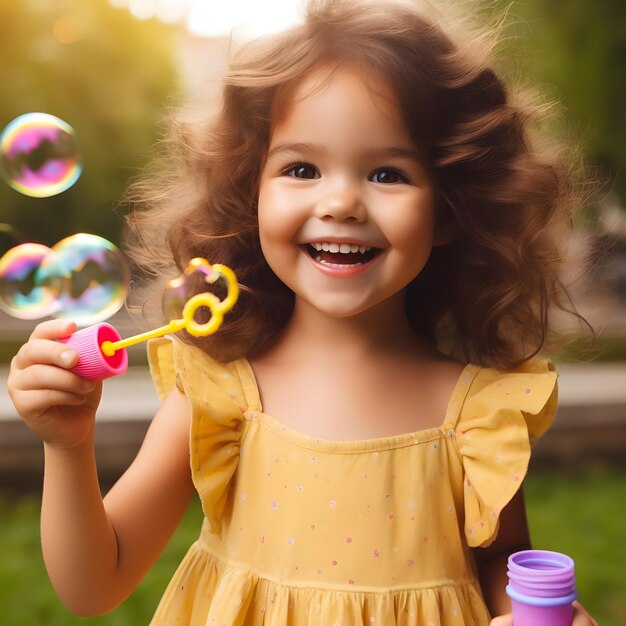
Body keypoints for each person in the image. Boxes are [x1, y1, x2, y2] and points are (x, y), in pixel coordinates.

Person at [7, 0, 599, 624]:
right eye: (301, 168)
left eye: (388, 173)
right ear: (250, 193)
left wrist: (540, 613)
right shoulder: (220, 393)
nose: (340, 200)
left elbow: (501, 566)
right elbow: (93, 586)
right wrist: (68, 447)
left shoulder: (478, 416)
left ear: (450, 210)